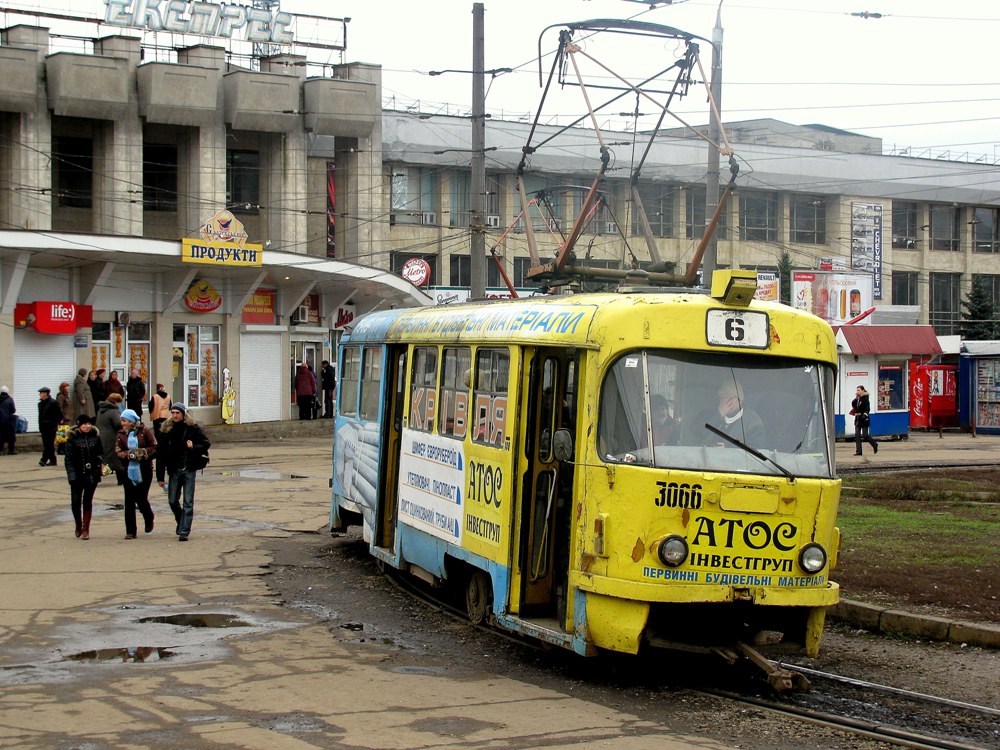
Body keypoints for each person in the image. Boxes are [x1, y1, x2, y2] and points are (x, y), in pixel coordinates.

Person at [156, 403, 210, 542]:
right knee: (172, 500)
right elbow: (160, 454)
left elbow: (205, 444)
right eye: (173, 412)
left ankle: (184, 531)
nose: (175, 415)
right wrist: (160, 476)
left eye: (177, 413)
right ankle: (181, 520)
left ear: (183, 414)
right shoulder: (166, 429)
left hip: (189, 469)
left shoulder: (192, 428)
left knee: (188, 501)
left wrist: (194, 446)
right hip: (174, 470)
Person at [114, 409, 156, 539]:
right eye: (122, 421)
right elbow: (117, 451)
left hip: (144, 469)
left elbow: (154, 447)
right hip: (128, 470)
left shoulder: (145, 431)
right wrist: (129, 454)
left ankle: (149, 517)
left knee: (141, 498)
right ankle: (131, 531)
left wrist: (143, 453)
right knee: (129, 501)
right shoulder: (120, 434)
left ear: (132, 421)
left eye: (125, 421)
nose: (122, 423)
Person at [63, 413, 103, 540]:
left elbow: (100, 453)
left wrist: (99, 464)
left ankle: (86, 529)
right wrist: (72, 476)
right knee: (75, 502)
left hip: (91, 475)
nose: (87, 426)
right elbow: (68, 460)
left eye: (89, 424)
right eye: (85, 424)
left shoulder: (95, 437)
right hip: (77, 475)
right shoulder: (72, 439)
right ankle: (78, 524)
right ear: (79, 425)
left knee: (87, 501)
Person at [707, 379, 765, 447]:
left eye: (730, 398)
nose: (725, 401)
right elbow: (699, 436)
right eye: (722, 398)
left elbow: (756, 449)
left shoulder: (752, 421)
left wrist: (728, 448)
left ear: (740, 400)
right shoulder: (711, 416)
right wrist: (719, 414)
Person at [96, 393, 124, 482]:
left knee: (103, 457)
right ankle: (121, 479)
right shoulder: (114, 411)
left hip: (101, 436)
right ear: (115, 401)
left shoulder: (101, 410)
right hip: (111, 437)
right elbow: (118, 424)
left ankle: (98, 476)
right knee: (116, 457)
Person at [37, 386, 63, 466]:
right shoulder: (40, 404)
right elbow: (40, 416)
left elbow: (59, 414)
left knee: (48, 444)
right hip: (43, 427)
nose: (40, 395)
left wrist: (55, 423)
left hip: (51, 427)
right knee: (48, 444)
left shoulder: (53, 402)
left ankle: (43, 460)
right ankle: (53, 460)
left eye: (41, 393)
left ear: (45, 394)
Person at [852, 385, 879, 456]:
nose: (857, 391)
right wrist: (855, 399)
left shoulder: (865, 399)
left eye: (859, 390)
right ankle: (859, 451)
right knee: (857, 435)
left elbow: (867, 409)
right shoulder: (857, 399)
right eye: (857, 390)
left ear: (863, 391)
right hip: (857, 419)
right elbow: (854, 406)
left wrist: (864, 415)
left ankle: (875, 444)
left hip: (864, 419)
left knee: (865, 435)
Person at [0, 386, 16, 455]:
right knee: (11, 436)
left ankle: (0, 450)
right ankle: (11, 450)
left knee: (0, 435)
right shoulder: (10, 399)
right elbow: (13, 410)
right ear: (7, 392)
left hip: (0, 421)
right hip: (9, 420)